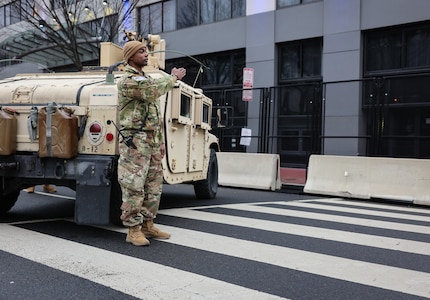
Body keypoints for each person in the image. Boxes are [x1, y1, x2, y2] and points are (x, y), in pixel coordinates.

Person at [117, 40, 186, 246]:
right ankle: (133, 229)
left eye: (146, 51)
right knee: (134, 185)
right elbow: (151, 91)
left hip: (151, 141)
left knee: (154, 185)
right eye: (141, 52)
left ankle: (148, 224)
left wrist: (160, 141)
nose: (146, 55)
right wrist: (173, 77)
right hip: (135, 142)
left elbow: (155, 115)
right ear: (130, 56)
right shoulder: (128, 80)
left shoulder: (144, 77)